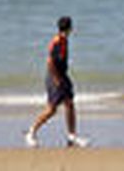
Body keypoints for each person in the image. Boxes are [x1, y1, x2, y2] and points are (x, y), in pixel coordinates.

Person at [25, 16, 89, 148]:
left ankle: (72, 137)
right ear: (70, 28)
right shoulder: (57, 42)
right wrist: (56, 80)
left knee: (70, 104)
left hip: (62, 76)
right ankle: (31, 132)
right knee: (52, 110)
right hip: (54, 77)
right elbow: (50, 63)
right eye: (71, 26)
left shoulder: (65, 40)